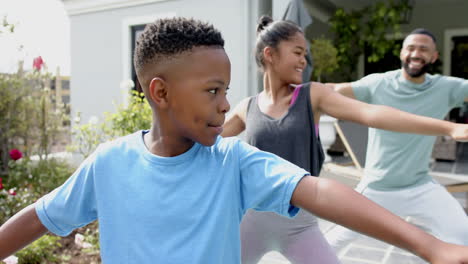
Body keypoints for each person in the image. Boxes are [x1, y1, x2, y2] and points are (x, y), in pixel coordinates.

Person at [1, 17, 468, 264]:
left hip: (294, 223)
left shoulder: (233, 161)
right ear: (159, 92)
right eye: (212, 92)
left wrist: (429, 247)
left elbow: (321, 190)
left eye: (226, 91)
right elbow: (41, 216)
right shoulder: (109, 163)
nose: (225, 104)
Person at [222, 17, 468, 264]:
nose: (304, 61)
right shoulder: (247, 107)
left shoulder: (312, 95)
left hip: (300, 225)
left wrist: (448, 127)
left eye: (305, 54)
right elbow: (209, 137)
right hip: (252, 220)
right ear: (270, 54)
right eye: (297, 52)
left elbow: (373, 114)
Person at [325, 28, 468, 254]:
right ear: (402, 53)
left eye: (423, 49)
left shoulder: (446, 87)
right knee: (331, 244)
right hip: (376, 189)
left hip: (420, 186)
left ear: (434, 56)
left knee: (462, 235)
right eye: (410, 48)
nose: (416, 53)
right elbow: (332, 91)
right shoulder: (378, 83)